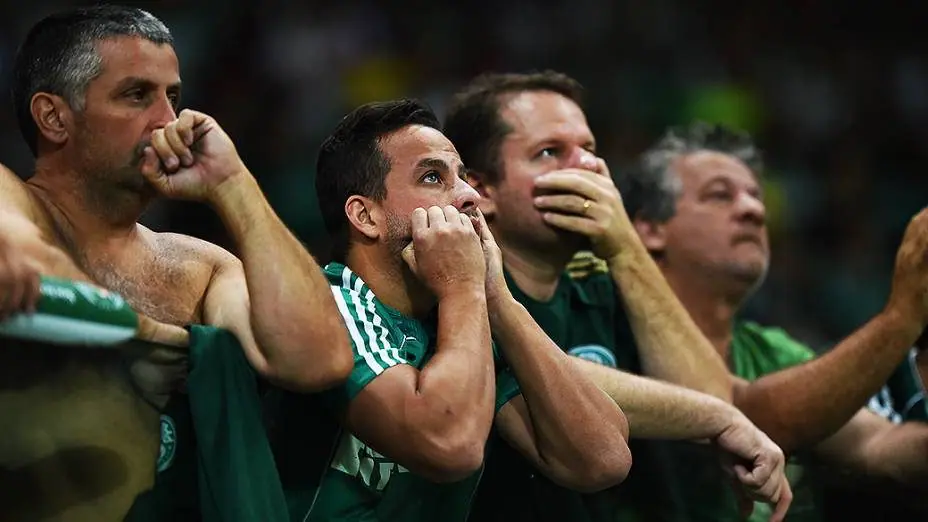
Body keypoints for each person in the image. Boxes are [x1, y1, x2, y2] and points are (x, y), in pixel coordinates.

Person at [0, 5, 352, 521]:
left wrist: (233, 186)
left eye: (174, 97)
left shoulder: (198, 267)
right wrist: (151, 336)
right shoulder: (12, 206)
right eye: (136, 95)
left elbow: (315, 361)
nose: (169, 121)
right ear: (54, 117)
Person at [443, 71, 791, 522]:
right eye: (549, 153)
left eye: (588, 150)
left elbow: (709, 397)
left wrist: (626, 247)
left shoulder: (601, 282)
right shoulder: (459, 278)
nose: (585, 167)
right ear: (481, 189)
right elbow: (710, 412)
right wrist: (714, 415)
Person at [266, 98, 632, 522]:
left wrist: (497, 298)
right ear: (366, 215)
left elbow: (602, 460)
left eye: (461, 177)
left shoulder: (463, 319)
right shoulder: (329, 302)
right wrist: (463, 288)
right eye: (433, 176)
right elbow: (450, 444)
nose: (469, 195)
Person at [618, 121, 928, 520]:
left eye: (755, 196)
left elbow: (882, 446)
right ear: (649, 229)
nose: (755, 210)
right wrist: (904, 315)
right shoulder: (603, 326)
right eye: (720, 195)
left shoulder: (775, 351)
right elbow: (740, 413)